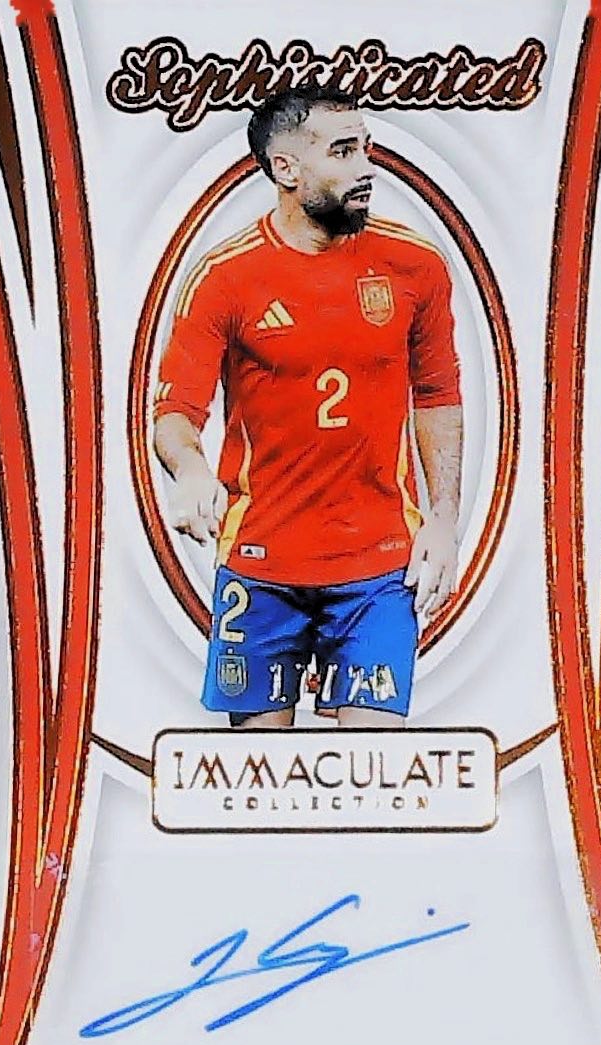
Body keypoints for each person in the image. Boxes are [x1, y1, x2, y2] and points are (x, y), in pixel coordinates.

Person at [153, 84, 463, 730]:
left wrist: (442, 521)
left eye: (366, 149)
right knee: (260, 778)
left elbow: (437, 393)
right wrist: (191, 470)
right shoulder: (224, 278)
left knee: (372, 774)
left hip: (379, 567)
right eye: (343, 152)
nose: (366, 168)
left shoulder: (415, 265)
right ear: (285, 168)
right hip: (261, 565)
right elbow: (175, 413)